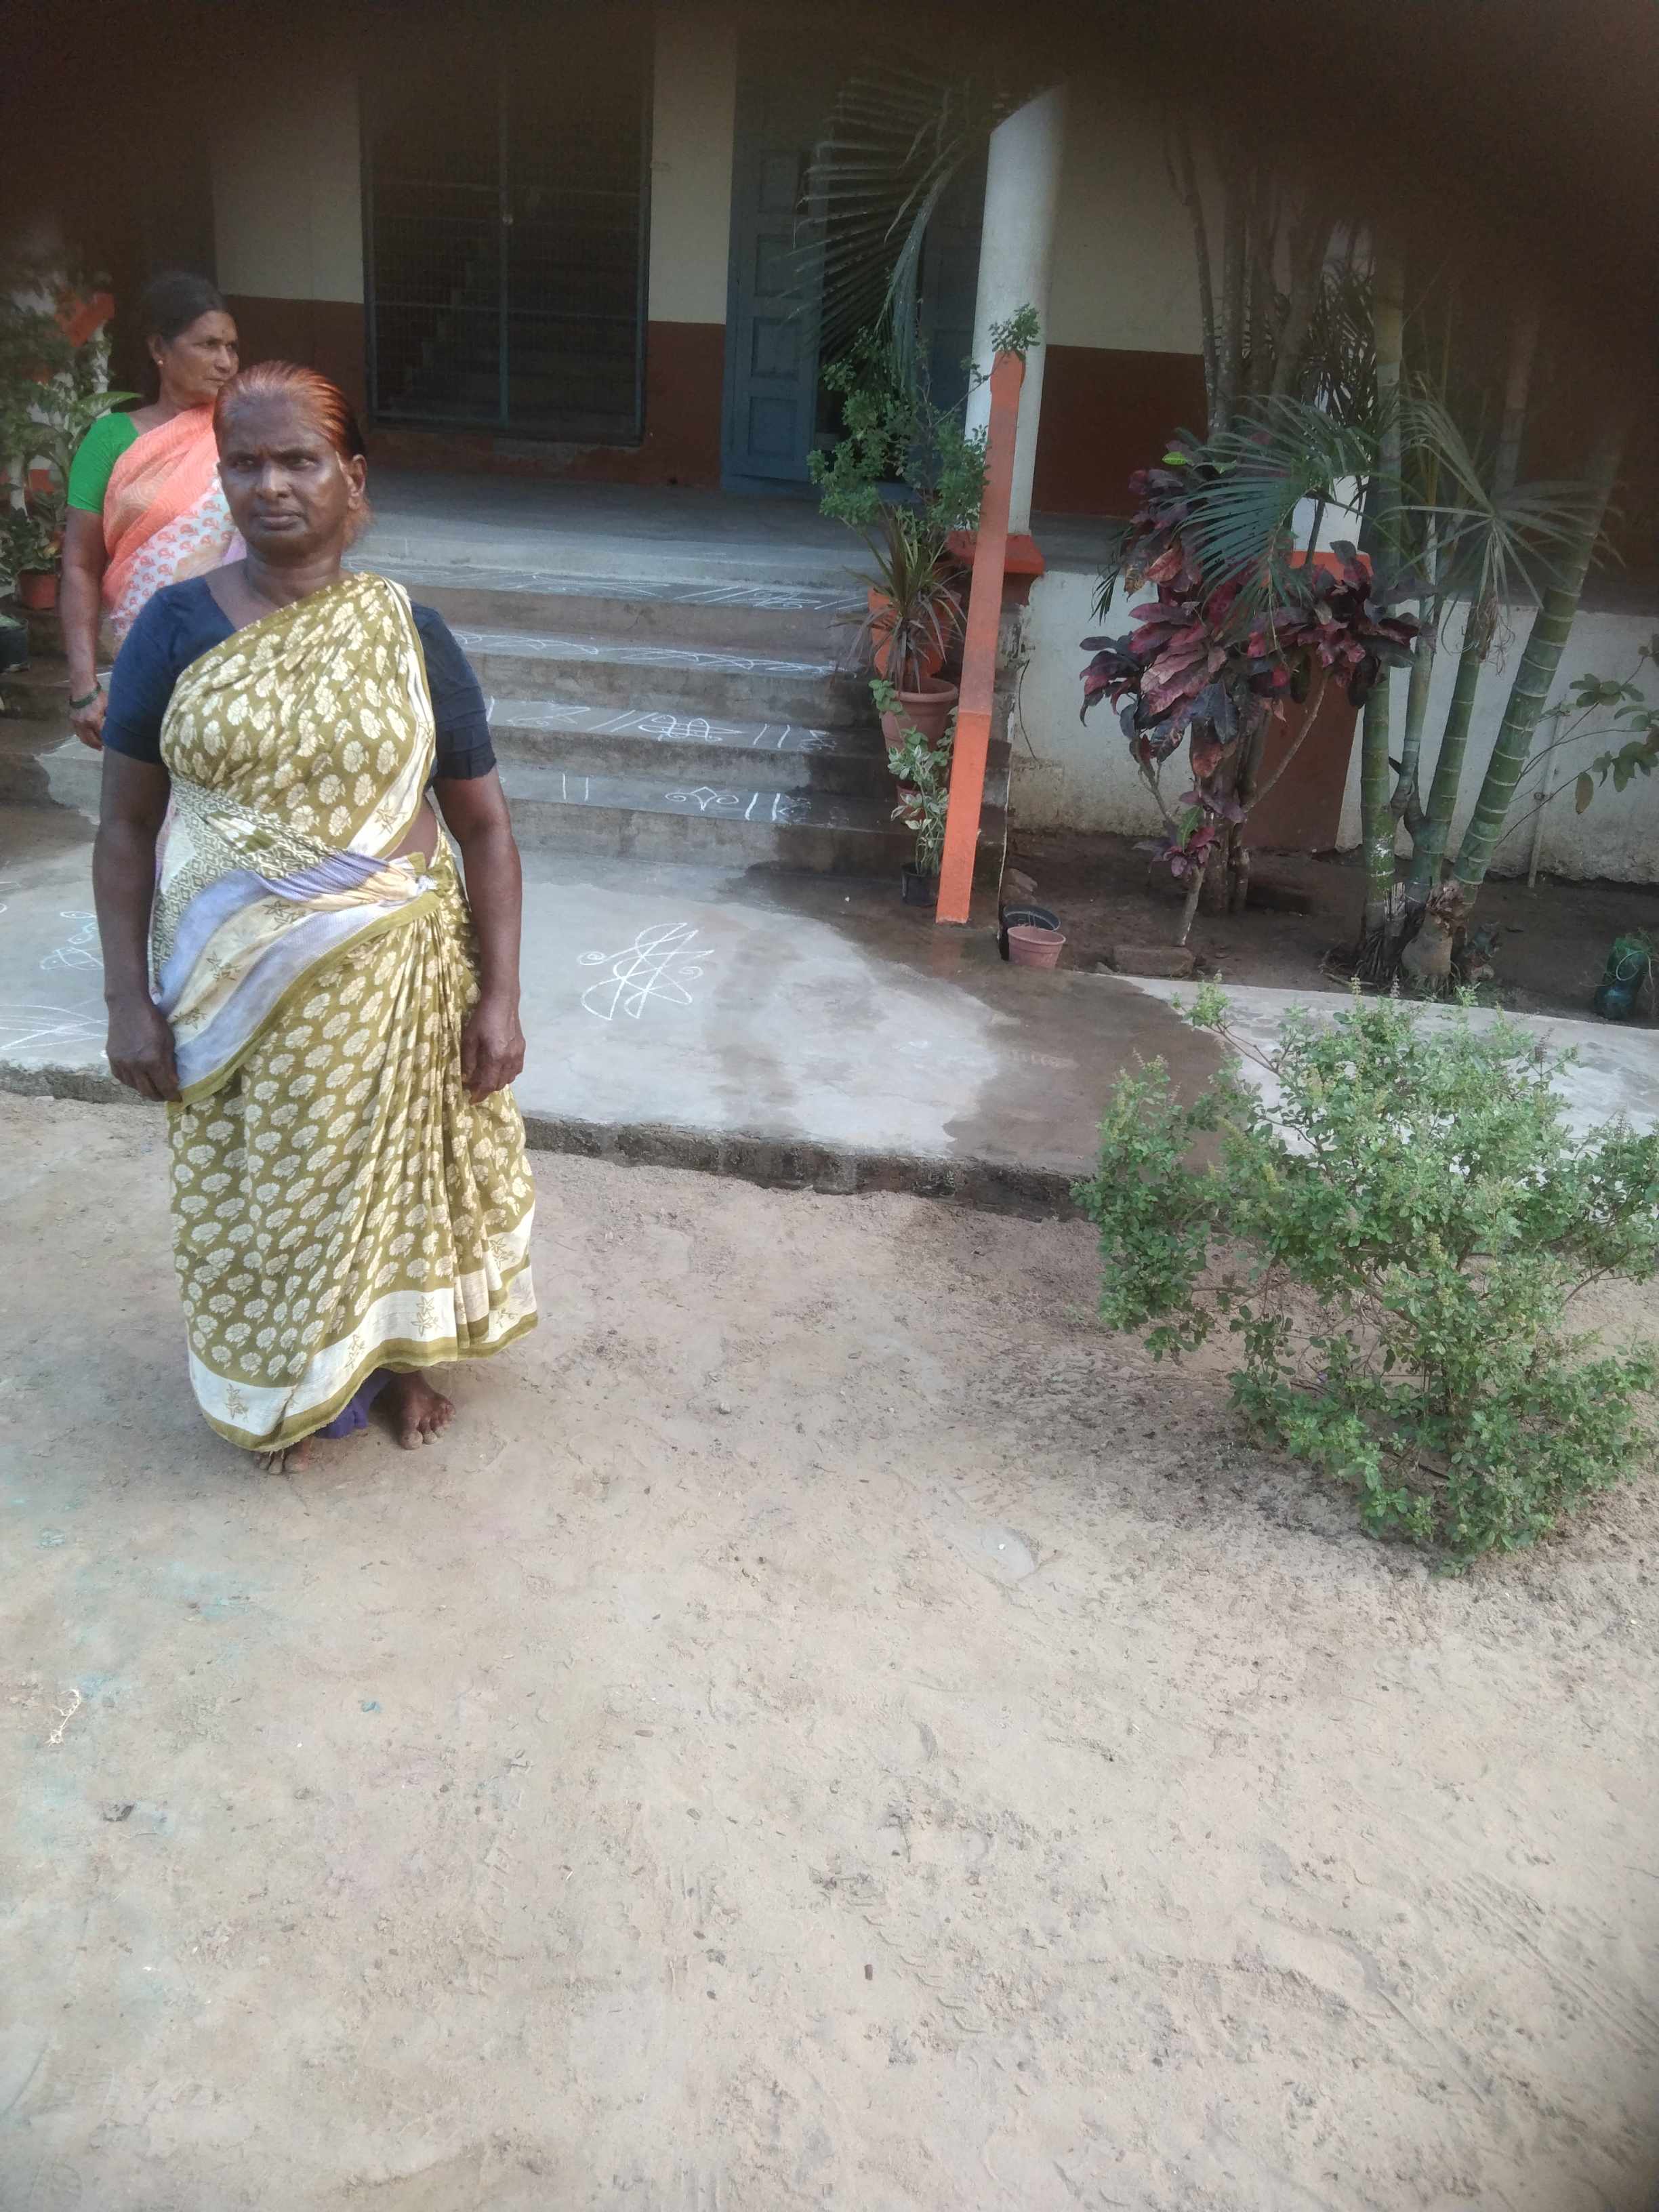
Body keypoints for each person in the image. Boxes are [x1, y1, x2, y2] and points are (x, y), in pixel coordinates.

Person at [91, 360, 537, 1471]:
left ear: (353, 477)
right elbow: (126, 828)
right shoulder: (172, 629)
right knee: (270, 1197)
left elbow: (484, 826)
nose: (272, 485)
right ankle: (289, 1385)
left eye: (299, 459)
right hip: (232, 985)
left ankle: (399, 1361)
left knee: (402, 1182)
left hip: (400, 977)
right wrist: (126, 1001)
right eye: (244, 462)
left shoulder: (410, 633)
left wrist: (501, 996)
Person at [60, 272, 241, 752]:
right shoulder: (112, 439)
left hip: (239, 665)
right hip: (143, 660)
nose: (225, 362)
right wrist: (83, 686)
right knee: (141, 795)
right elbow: (79, 566)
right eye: (208, 345)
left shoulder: (246, 434)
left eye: (231, 347)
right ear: (159, 348)